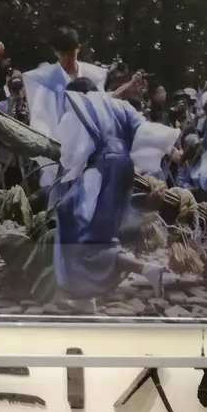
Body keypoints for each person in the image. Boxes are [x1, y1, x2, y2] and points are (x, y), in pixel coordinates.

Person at [48, 77, 178, 308]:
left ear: (75, 94)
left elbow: (72, 153)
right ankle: (144, 271)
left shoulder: (79, 104)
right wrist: (170, 149)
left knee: (73, 225)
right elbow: (145, 131)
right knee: (102, 235)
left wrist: (69, 177)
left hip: (100, 170)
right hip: (125, 168)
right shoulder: (121, 106)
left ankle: (84, 295)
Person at [23, 27, 108, 185]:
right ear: (55, 52)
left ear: (78, 49)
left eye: (71, 54)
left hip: (92, 154)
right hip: (60, 154)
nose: (67, 59)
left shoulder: (92, 76)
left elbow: (103, 111)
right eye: (63, 55)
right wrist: (54, 151)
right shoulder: (47, 82)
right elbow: (39, 119)